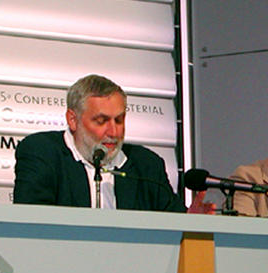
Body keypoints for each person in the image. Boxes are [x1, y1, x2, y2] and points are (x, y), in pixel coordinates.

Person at [13, 74, 195, 212]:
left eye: (119, 120)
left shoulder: (146, 164)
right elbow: (32, 222)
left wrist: (191, 222)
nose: (113, 132)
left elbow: (172, 223)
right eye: (101, 121)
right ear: (73, 120)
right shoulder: (42, 152)